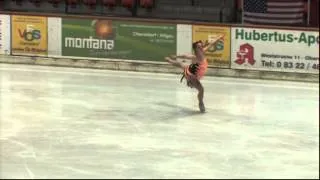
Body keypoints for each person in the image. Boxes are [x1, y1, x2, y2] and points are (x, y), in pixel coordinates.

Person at [165, 35, 224, 113]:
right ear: (196, 49)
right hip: (192, 76)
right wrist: (176, 56)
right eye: (199, 46)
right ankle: (200, 103)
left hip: (194, 71)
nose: (201, 46)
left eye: (201, 46)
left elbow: (211, 44)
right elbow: (185, 56)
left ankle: (170, 61)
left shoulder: (202, 52)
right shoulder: (195, 57)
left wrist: (219, 37)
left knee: (182, 65)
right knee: (201, 89)